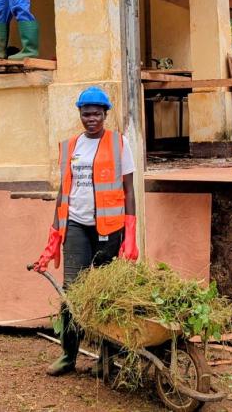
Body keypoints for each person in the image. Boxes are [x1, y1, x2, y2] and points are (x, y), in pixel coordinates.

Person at [32, 86, 139, 376]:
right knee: (72, 292)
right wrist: (55, 234)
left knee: (106, 293)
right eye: (86, 114)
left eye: (96, 114)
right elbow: (63, 191)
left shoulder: (119, 143)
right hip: (76, 226)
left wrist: (130, 232)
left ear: (105, 115)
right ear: (80, 114)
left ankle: (107, 358)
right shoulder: (70, 146)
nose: (91, 119)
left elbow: (129, 190)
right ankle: (68, 355)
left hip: (109, 229)